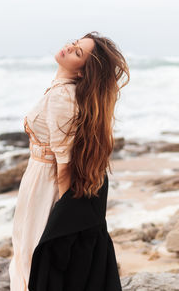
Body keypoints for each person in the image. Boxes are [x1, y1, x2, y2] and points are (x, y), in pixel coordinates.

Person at [9, 31, 130, 291]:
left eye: (77, 52)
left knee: (30, 259)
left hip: (46, 185)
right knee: (26, 254)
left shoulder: (62, 97)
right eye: (74, 44)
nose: (68, 48)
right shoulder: (65, 92)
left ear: (82, 72)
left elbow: (64, 166)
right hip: (40, 178)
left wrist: (63, 220)